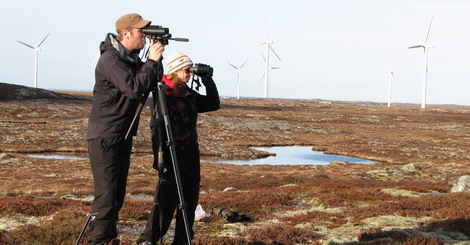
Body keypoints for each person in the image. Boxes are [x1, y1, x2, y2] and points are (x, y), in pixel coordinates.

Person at [86, 13, 164, 245]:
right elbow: (133, 88)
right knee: (107, 197)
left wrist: (155, 60)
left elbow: (152, 78)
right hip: (105, 135)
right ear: (125, 33)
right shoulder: (110, 59)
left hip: (121, 134)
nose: (145, 37)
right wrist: (151, 61)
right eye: (142, 33)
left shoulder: (130, 59)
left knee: (116, 195)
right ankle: (98, 241)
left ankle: (108, 238)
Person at [137, 52, 220, 245]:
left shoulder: (188, 94)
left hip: (191, 152)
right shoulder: (162, 92)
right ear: (174, 70)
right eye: (186, 69)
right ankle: (149, 240)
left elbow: (213, 103)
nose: (190, 73)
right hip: (170, 152)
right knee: (167, 202)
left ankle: (182, 241)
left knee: (189, 201)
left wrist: (208, 80)